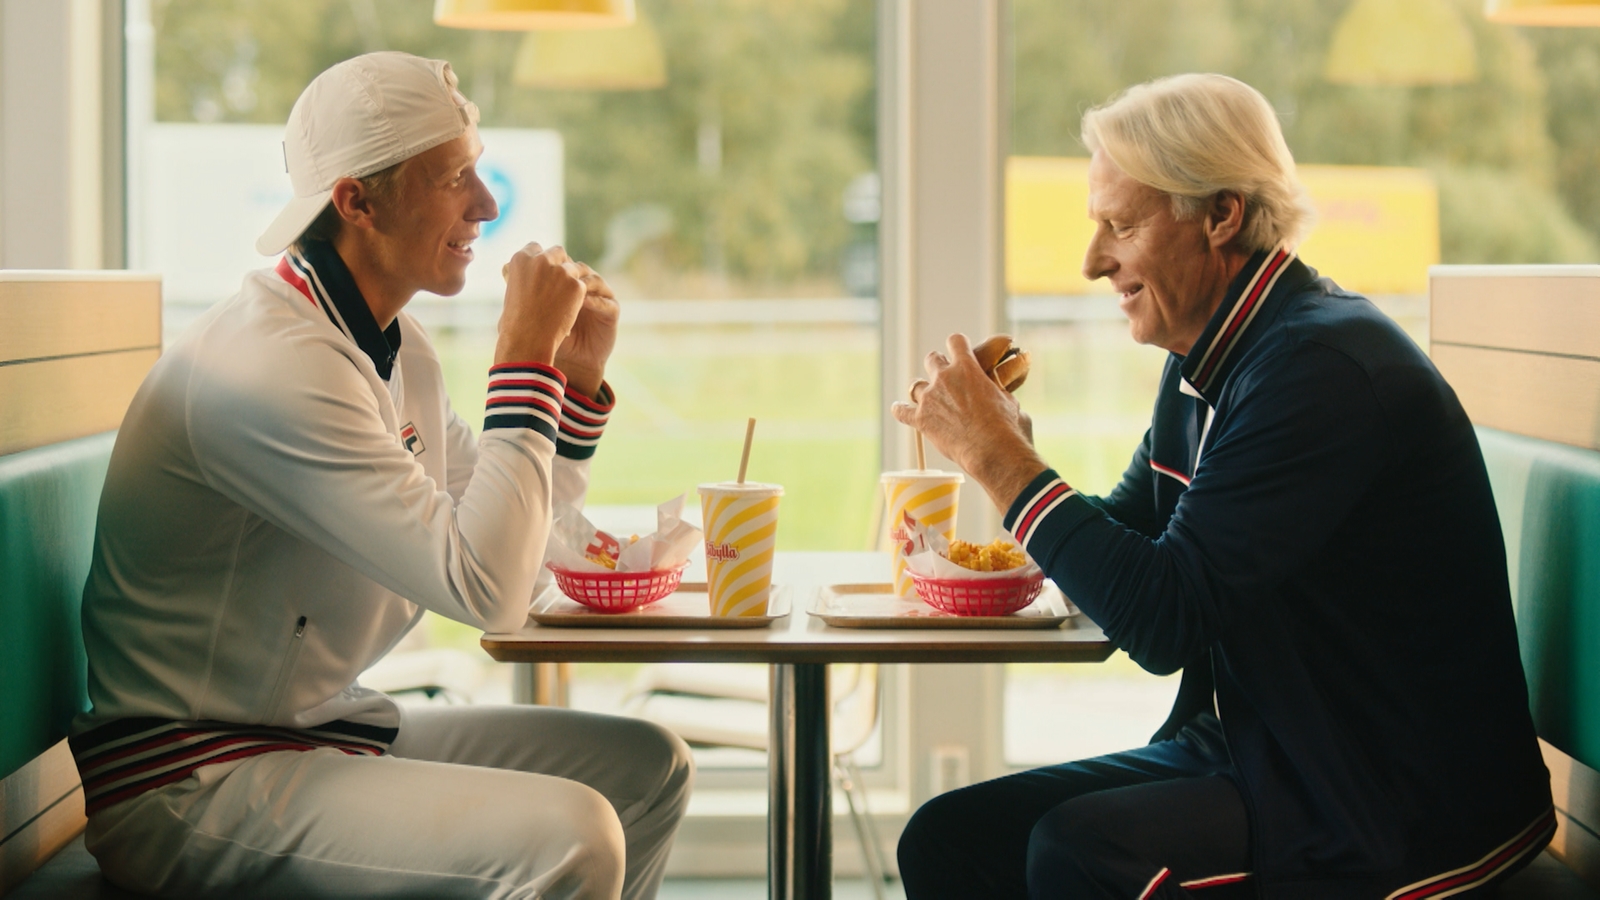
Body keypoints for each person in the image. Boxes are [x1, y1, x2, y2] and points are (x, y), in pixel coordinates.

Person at [892, 73, 1553, 899]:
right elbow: (1129, 549)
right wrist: (1009, 461)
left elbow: (1162, 619)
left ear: (1221, 214)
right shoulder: (1209, 357)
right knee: (949, 841)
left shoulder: (1320, 368)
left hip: (1396, 797)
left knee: (1080, 851)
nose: (1094, 260)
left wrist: (1005, 466)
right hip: (1272, 747)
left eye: (1119, 225)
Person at [69, 51, 692, 900]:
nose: (489, 204)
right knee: (572, 837)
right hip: (191, 779)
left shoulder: (395, 347)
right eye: (456, 177)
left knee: (647, 765)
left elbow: (526, 544)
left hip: (312, 735)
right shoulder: (272, 366)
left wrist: (569, 392)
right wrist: (523, 369)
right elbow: (486, 591)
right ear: (355, 201)